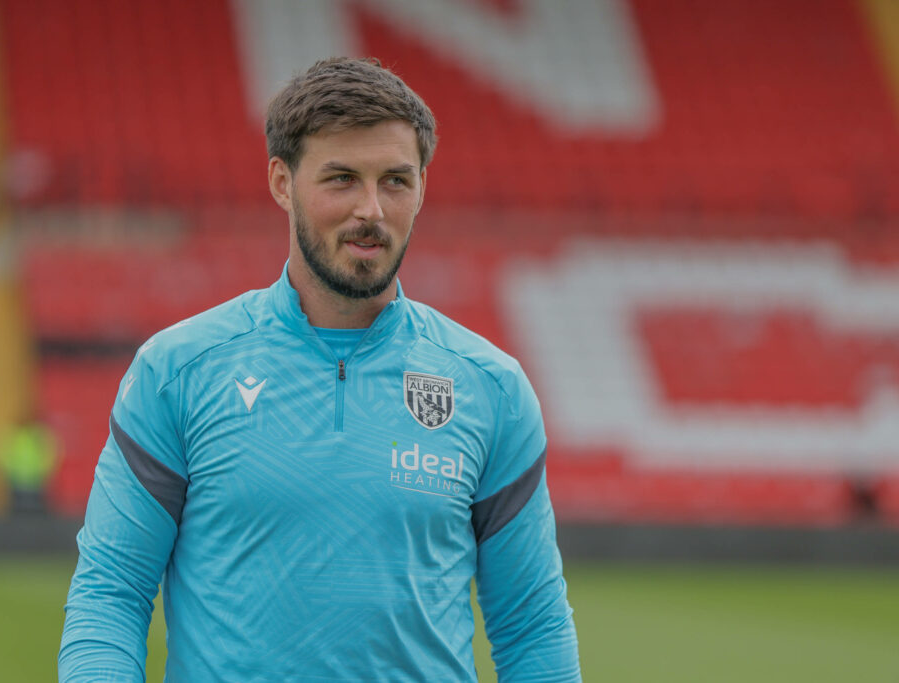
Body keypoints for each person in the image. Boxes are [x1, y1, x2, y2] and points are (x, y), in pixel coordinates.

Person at [59, 57, 581, 682]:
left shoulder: (490, 387)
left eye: (396, 180)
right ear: (282, 182)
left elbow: (532, 626)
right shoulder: (178, 372)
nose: (372, 210)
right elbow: (110, 595)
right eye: (341, 179)